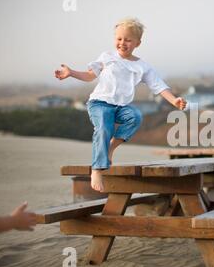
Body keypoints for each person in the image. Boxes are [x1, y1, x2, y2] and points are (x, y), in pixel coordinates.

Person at [55, 18, 187, 192]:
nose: (122, 43)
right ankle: (97, 169)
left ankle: (110, 148)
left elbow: (159, 86)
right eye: (119, 39)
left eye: (128, 39)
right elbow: (90, 75)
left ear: (137, 43)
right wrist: (71, 73)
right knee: (103, 128)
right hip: (99, 103)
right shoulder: (107, 57)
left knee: (135, 117)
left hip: (121, 107)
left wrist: (174, 100)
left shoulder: (142, 66)